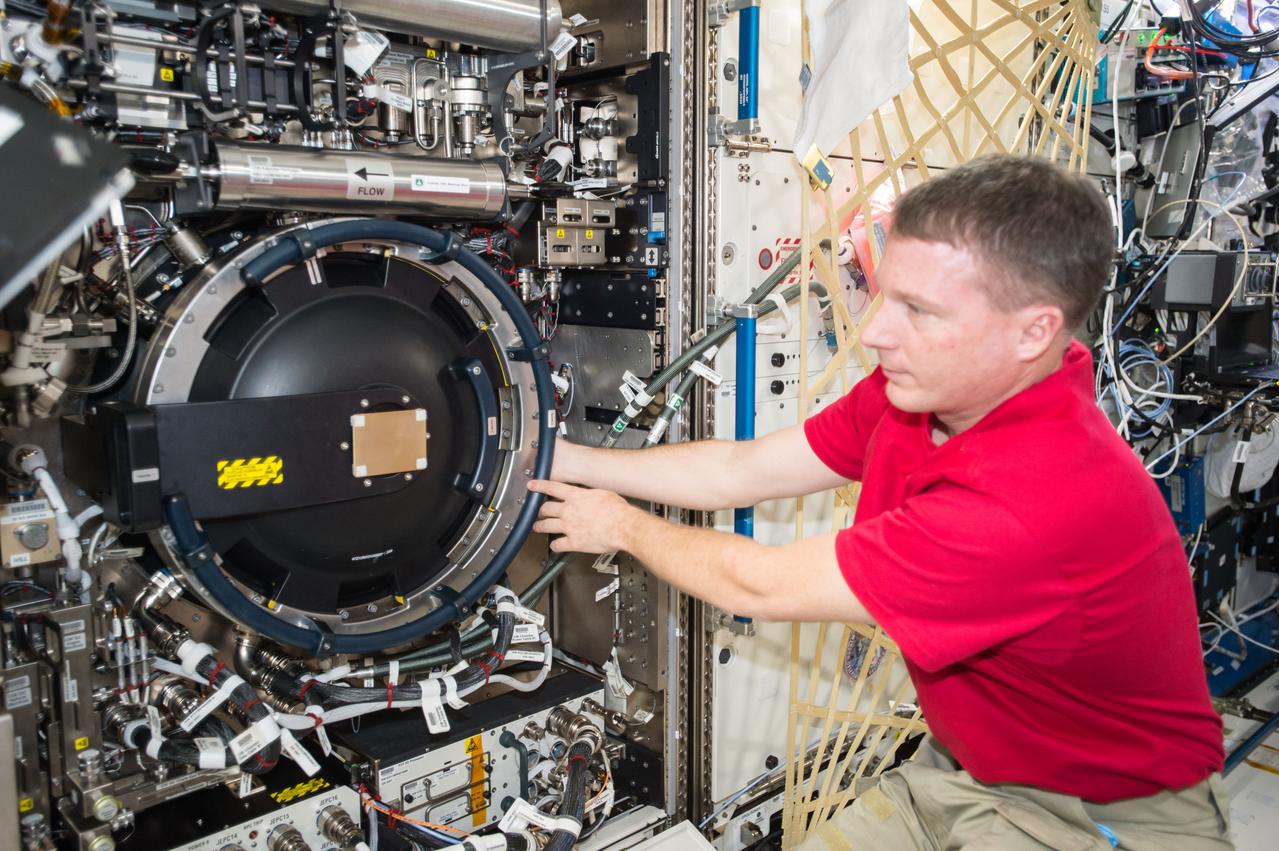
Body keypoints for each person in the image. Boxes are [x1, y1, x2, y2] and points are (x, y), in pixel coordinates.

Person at [528, 155, 1229, 849]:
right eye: (883, 292)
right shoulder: (925, 395)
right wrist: (572, 460)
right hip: (960, 769)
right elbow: (740, 470)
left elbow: (759, 583)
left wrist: (616, 523)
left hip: (1098, 814)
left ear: (1033, 332)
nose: (873, 333)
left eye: (918, 311)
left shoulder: (1029, 502)